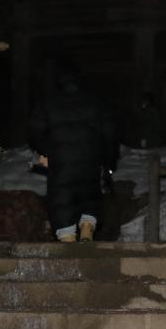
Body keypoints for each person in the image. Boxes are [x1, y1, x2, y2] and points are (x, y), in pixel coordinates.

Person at [29, 67, 118, 242]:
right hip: (90, 160)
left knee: (62, 199)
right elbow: (110, 134)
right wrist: (109, 162)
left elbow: (34, 130)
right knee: (90, 195)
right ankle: (87, 229)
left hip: (61, 162)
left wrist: (46, 150)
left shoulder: (48, 103)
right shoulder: (95, 102)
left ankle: (68, 239)